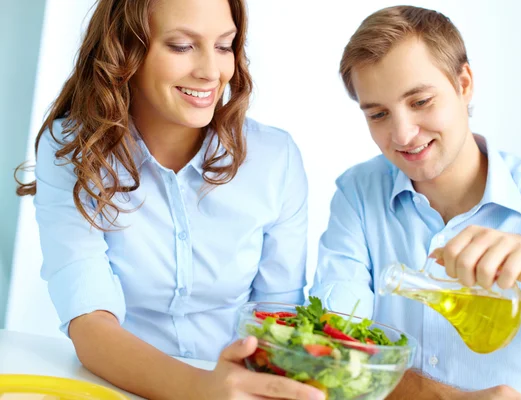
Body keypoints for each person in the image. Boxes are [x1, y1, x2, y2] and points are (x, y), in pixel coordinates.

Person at [15, 0, 325, 399]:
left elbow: (279, 318)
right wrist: (203, 391)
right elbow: (90, 322)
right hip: (116, 386)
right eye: (181, 46)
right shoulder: (73, 151)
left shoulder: (275, 158)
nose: (211, 72)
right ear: (125, 50)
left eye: (224, 46)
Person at [309, 5, 521, 400]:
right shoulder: (358, 195)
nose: (403, 133)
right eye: (378, 114)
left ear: (463, 84)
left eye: (421, 102)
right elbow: (332, 351)